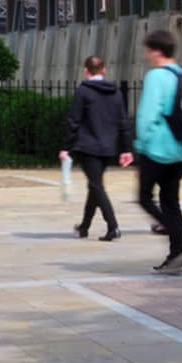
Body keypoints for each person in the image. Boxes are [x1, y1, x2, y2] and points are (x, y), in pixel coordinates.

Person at [133, 29, 182, 276]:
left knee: (144, 197)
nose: (147, 54)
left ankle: (178, 241)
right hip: (181, 149)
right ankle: (176, 256)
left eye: (149, 49)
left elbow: (147, 116)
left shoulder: (156, 76)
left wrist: (140, 146)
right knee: (171, 201)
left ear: (157, 51)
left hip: (158, 148)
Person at [62, 55, 132, 240]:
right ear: (104, 70)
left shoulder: (83, 92)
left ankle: (113, 226)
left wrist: (65, 147)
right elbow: (123, 122)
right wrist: (126, 148)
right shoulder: (115, 92)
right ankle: (84, 226)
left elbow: (73, 121)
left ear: (86, 71)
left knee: (96, 186)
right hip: (109, 146)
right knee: (95, 186)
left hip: (88, 146)